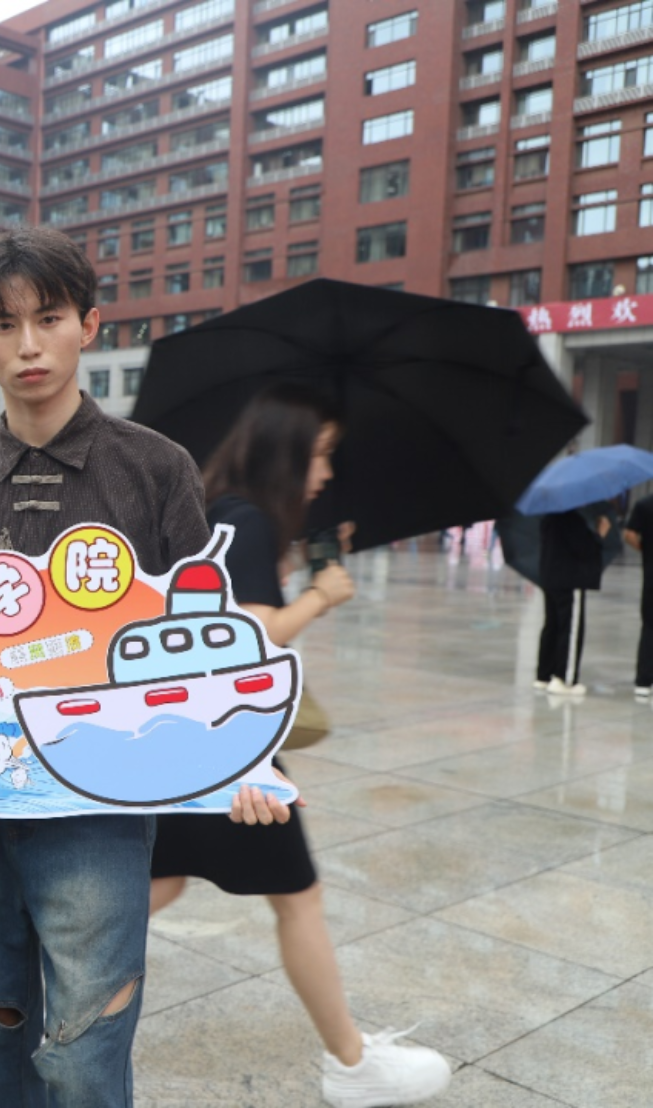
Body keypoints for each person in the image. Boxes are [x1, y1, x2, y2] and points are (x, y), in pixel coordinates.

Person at [0, 226, 211, 1107]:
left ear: (89, 325)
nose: (28, 345)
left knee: (87, 1042)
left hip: (102, 805)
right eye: (3, 324)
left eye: (49, 318)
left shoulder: (156, 469)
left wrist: (234, 762)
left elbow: (194, 630)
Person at [148, 385, 451, 1108]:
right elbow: (249, 636)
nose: (325, 472)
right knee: (299, 899)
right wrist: (320, 596)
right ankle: (352, 1064)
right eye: (320, 455)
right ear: (285, 454)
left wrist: (289, 568)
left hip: (182, 738)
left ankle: (33, 976)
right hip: (229, 749)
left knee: (161, 880)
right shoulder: (249, 521)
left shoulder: (215, 510)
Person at [534, 503, 611, 696]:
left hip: (551, 578)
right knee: (571, 628)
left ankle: (544, 675)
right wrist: (600, 534)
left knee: (552, 626)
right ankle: (564, 679)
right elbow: (585, 549)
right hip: (569, 581)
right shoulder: (572, 519)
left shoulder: (549, 517)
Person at [628, 492, 653, 698]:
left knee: (649, 627)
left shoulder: (644, 505)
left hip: (651, 576)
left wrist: (644, 550)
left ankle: (644, 681)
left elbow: (629, 534)